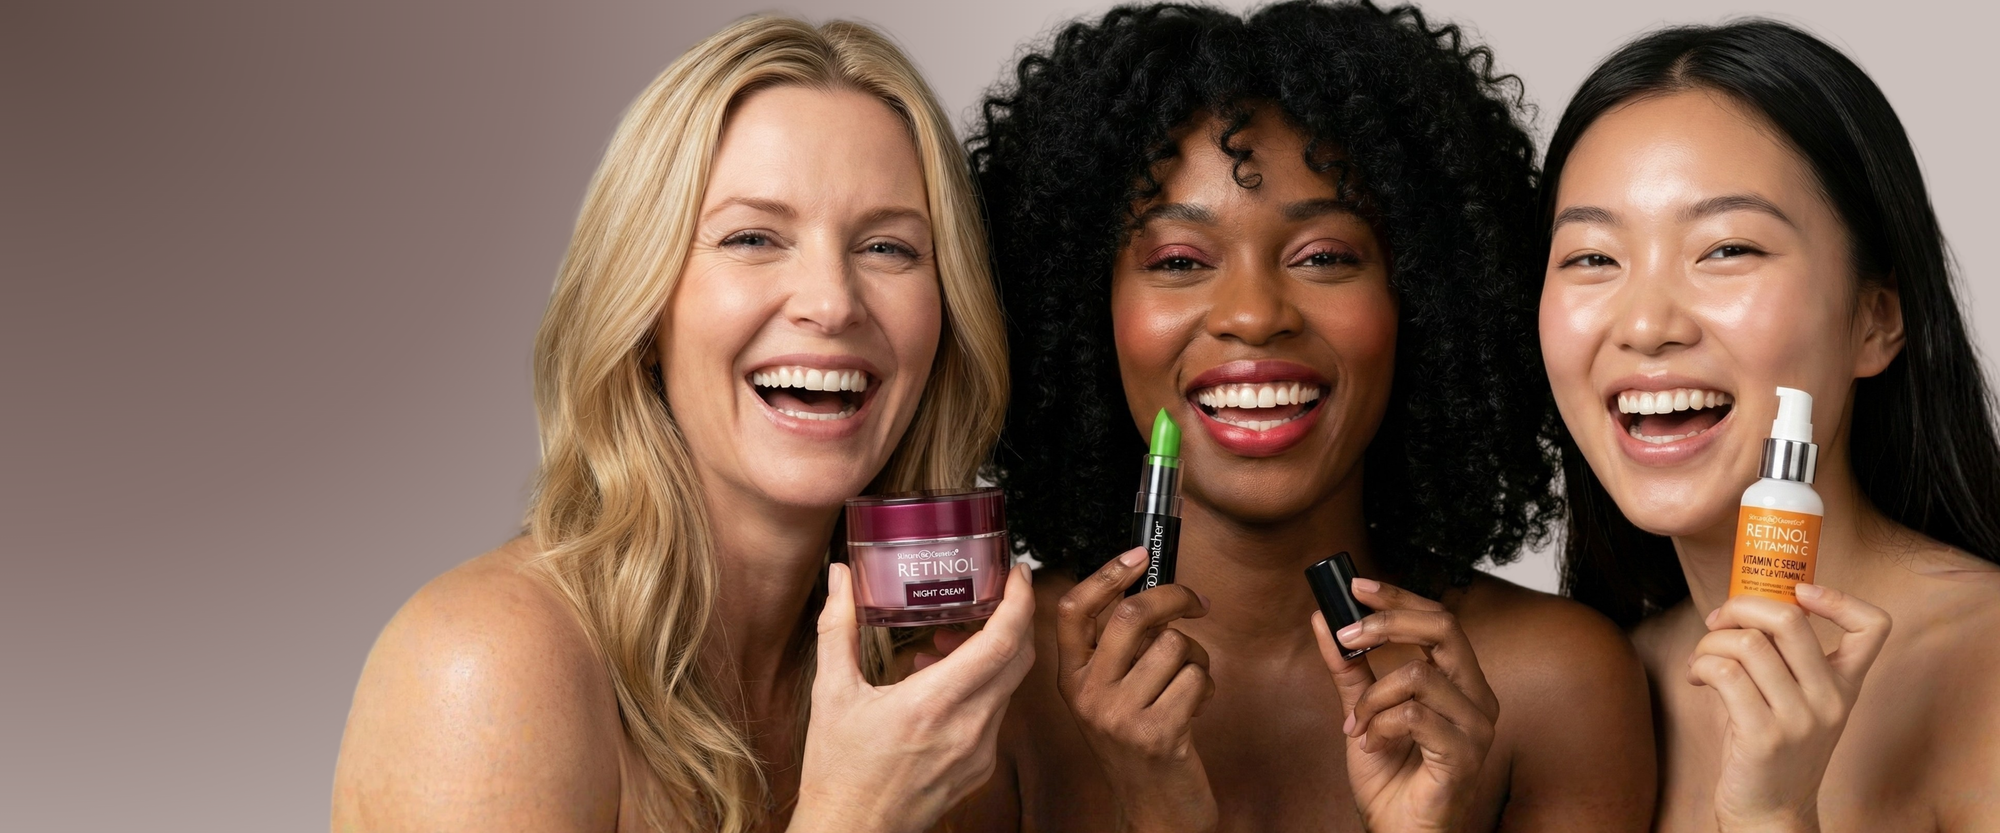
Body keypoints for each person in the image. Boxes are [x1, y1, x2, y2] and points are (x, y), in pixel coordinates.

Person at [950, 2, 1654, 829]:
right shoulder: (986, 680)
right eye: (1179, 260)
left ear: (1422, 298)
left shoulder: (1554, 685)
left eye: (1324, 256)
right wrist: (1159, 806)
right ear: (1078, 309)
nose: (1253, 314)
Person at [330, 16, 1033, 832]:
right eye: (752, 237)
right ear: (646, 305)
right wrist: (854, 815)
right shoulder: (482, 665)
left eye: (887, 248)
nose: (833, 301)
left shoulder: (918, 697)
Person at [1539, 20, 2000, 831]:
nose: (1646, 324)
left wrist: (1774, 815)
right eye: (1593, 258)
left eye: (1726, 249)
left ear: (1875, 319)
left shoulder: (1985, 665)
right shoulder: (1598, 688)